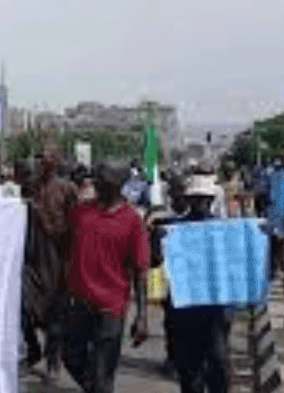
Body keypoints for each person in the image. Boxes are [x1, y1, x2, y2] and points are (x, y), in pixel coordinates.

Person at [63, 161, 150, 393]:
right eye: (95, 179)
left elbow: (140, 270)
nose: (95, 184)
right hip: (78, 303)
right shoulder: (80, 212)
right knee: (70, 357)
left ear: (116, 184)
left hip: (110, 308)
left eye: (101, 180)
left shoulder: (132, 221)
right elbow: (65, 249)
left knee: (103, 374)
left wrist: (142, 316)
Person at [164, 174, 235, 393]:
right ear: (188, 200)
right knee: (189, 370)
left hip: (215, 309)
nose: (200, 202)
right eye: (195, 198)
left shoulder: (225, 229)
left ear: (212, 200)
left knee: (219, 361)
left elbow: (235, 264)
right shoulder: (173, 228)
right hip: (185, 309)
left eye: (204, 198)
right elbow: (159, 263)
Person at [23, 143, 77, 378]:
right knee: (24, 307)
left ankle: (52, 360)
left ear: (55, 162)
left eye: (44, 159)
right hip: (33, 257)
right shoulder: (30, 186)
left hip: (58, 258)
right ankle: (33, 349)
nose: (40, 164)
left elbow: (75, 224)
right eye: (38, 159)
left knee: (56, 314)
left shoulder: (67, 189)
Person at [146, 175, 190, 377]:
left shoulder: (196, 219)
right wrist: (155, 290)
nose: (179, 198)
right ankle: (172, 358)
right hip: (168, 278)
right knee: (171, 322)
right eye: (176, 194)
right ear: (171, 196)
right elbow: (152, 257)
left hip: (191, 279)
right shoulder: (159, 217)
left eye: (183, 194)